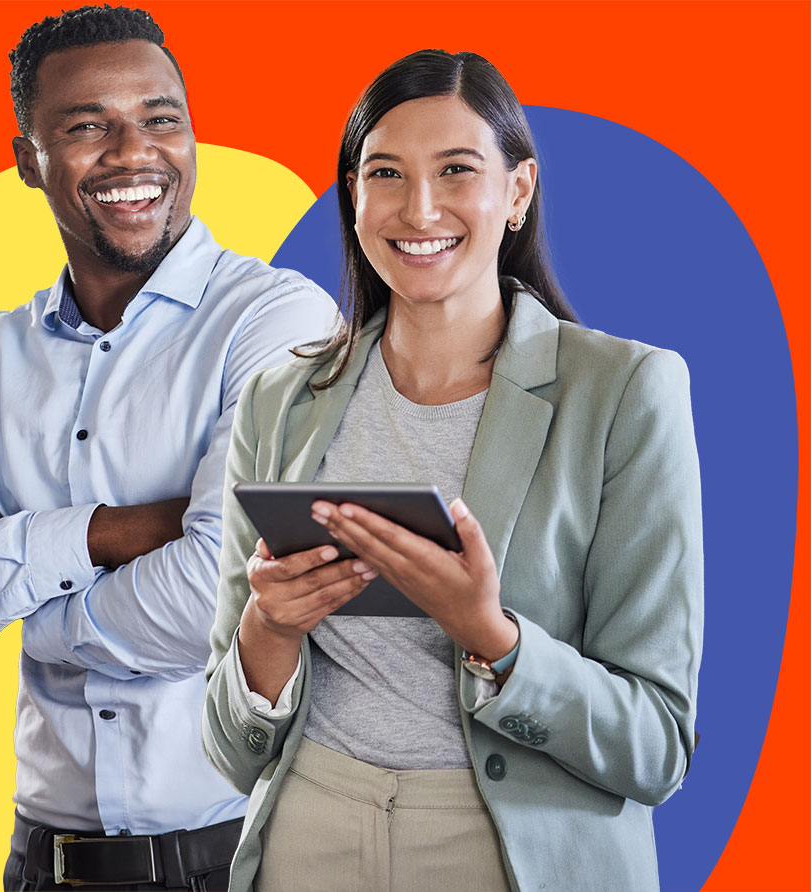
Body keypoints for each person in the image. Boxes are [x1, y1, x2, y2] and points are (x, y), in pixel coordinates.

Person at [0, 6, 336, 891]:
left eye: (160, 118)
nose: (134, 153)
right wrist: (102, 535)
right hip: (41, 867)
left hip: (249, 857)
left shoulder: (276, 320)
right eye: (87, 127)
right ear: (29, 161)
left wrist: (38, 611)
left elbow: (224, 596)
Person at [202, 49, 702, 892]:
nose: (419, 206)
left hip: (509, 855)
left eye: (457, 170)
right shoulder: (277, 402)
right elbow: (229, 752)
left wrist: (492, 639)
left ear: (518, 192)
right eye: (385, 173)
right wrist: (268, 632)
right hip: (307, 838)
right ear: (353, 197)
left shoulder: (624, 393)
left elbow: (656, 746)